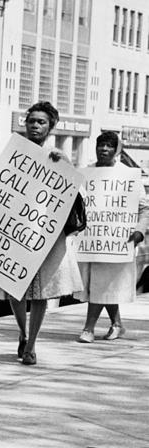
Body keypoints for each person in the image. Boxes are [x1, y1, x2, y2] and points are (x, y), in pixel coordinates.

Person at [0, 101, 82, 365]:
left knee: (41, 293)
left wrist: (64, 166)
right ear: (25, 123)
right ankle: (22, 333)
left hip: (43, 234)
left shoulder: (57, 156)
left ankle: (31, 345)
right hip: (15, 232)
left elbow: (70, 195)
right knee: (15, 290)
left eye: (41, 122)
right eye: (32, 120)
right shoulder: (13, 153)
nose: (35, 126)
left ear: (51, 127)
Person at [76, 131, 149, 342]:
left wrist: (138, 231)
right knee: (99, 285)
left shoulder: (128, 174)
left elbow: (144, 208)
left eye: (109, 146)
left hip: (117, 240)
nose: (104, 149)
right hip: (91, 240)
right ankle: (117, 324)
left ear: (116, 150)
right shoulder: (86, 173)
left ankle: (88, 329)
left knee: (102, 283)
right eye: (101, 145)